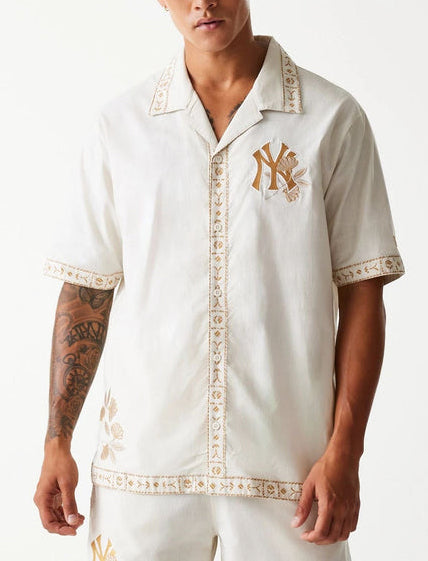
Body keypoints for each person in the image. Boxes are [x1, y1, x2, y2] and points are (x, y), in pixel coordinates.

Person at [33, 1, 406, 560]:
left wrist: (346, 452)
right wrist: (56, 442)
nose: (202, 3)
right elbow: (87, 291)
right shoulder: (122, 127)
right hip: (143, 470)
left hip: (291, 471)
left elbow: (363, 291)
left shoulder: (332, 119)